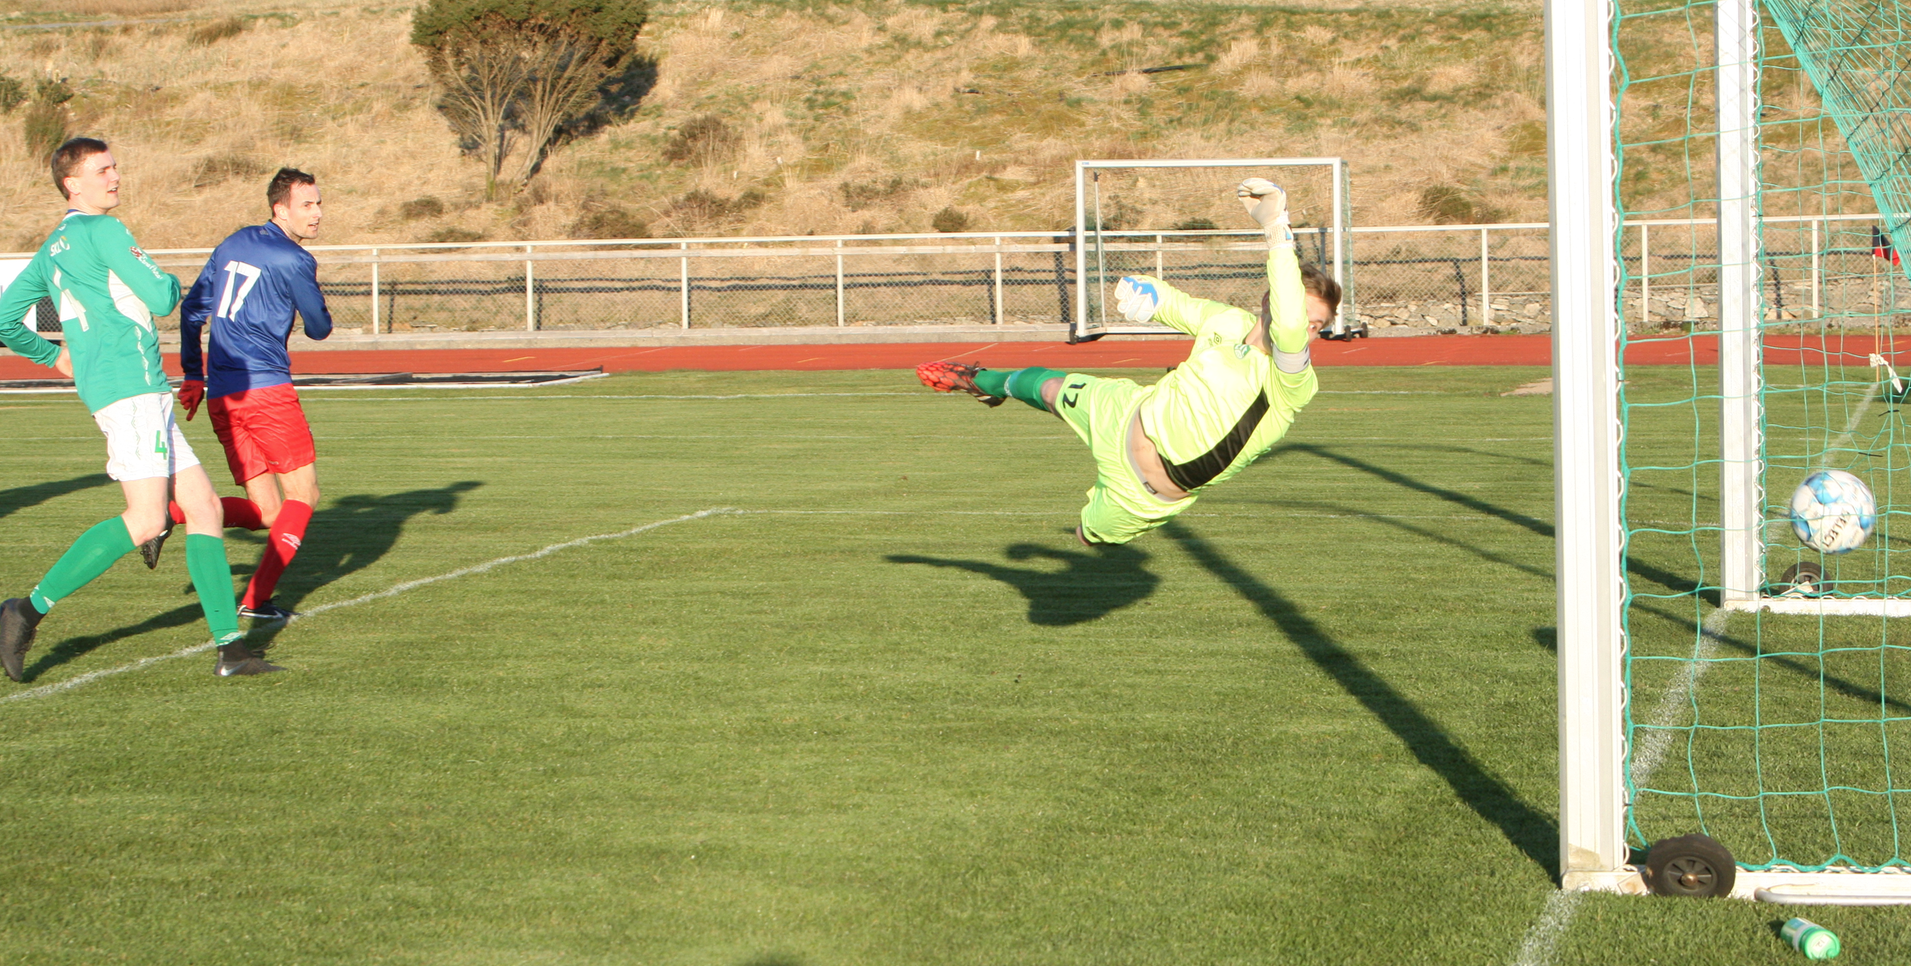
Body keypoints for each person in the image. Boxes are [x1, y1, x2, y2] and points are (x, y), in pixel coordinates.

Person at [916, 179, 1340, 545]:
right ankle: (981, 382)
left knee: (1087, 536)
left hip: (1139, 494)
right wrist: (1146, 291)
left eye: (1316, 326)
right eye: (1305, 317)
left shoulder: (1293, 381)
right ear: (1268, 300)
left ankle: (992, 390)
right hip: (1121, 412)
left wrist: (1275, 228)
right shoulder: (1229, 321)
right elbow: (1178, 304)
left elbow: (1286, 324)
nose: (1305, 331)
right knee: (1044, 387)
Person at [0, 137, 277, 679]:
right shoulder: (104, 230)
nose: (115, 177)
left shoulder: (55, 243)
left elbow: (6, 318)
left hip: (129, 390)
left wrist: (54, 357)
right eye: (102, 170)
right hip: (131, 391)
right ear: (71, 183)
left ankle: (230, 649)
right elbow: (161, 298)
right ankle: (24, 611)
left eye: (115, 167)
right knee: (147, 518)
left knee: (204, 509)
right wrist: (175, 282)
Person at [166, 167, 332, 622]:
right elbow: (319, 329)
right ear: (280, 208)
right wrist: (311, 303)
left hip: (221, 393)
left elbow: (192, 311)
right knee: (304, 496)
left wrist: (192, 375)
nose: (317, 214)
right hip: (267, 391)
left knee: (266, 511)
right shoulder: (295, 259)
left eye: (319, 203)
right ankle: (256, 601)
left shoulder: (233, 242)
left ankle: (165, 517)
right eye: (307, 205)